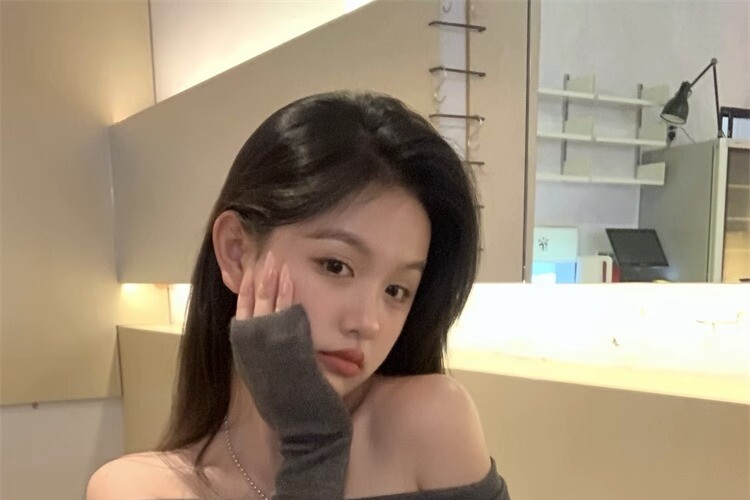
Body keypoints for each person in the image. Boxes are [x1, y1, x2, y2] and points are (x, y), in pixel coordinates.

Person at [87, 91, 510, 499]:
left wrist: (311, 438)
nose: (367, 322)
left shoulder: (430, 422)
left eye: (396, 290)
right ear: (236, 252)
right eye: (336, 266)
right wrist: (312, 444)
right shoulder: (136, 488)